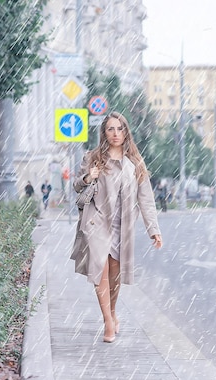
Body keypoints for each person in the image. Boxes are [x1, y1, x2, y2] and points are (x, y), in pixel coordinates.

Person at [70, 112, 163, 343]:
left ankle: (112, 310)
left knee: (114, 274)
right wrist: (87, 178)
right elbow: (76, 185)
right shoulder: (93, 158)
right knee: (99, 269)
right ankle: (108, 321)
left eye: (119, 129)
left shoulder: (135, 163)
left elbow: (146, 198)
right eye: (110, 129)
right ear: (104, 132)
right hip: (97, 222)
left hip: (123, 226)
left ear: (125, 132)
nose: (115, 134)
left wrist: (154, 229)